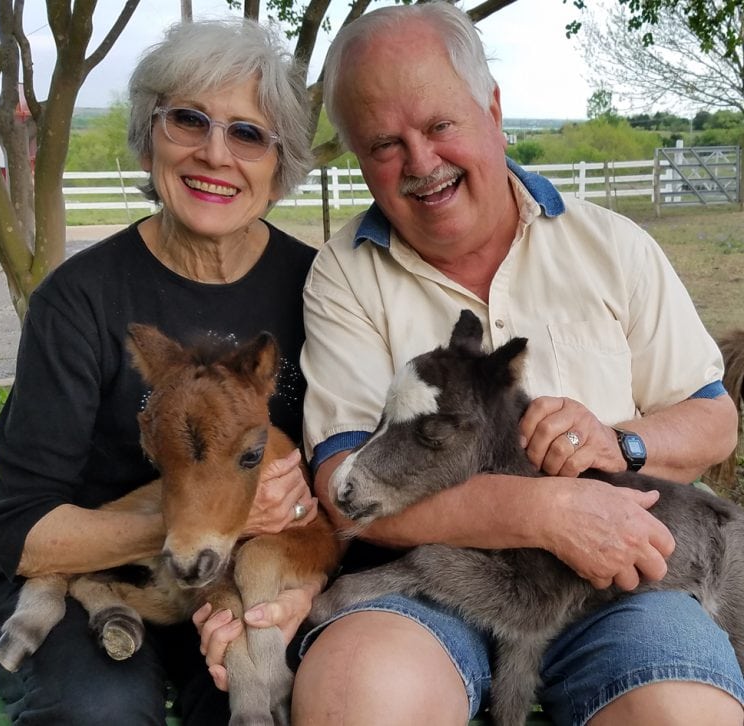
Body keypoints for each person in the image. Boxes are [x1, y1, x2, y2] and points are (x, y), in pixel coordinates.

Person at [290, 3, 744, 725]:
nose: (421, 164)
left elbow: (714, 419)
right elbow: (341, 482)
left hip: (623, 587)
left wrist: (624, 443)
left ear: (492, 108)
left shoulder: (612, 245)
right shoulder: (346, 274)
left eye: (440, 126)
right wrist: (546, 510)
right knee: (355, 693)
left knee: (681, 708)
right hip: (440, 578)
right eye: (384, 144)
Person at [0, 18, 323, 726]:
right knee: (101, 706)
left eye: (248, 133)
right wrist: (199, 521)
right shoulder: (79, 299)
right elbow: (22, 531)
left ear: (279, 163)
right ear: (148, 136)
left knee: (264, 702)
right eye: (188, 120)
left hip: (236, 583)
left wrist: (288, 587)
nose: (215, 154)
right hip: (79, 577)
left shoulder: (317, 287)